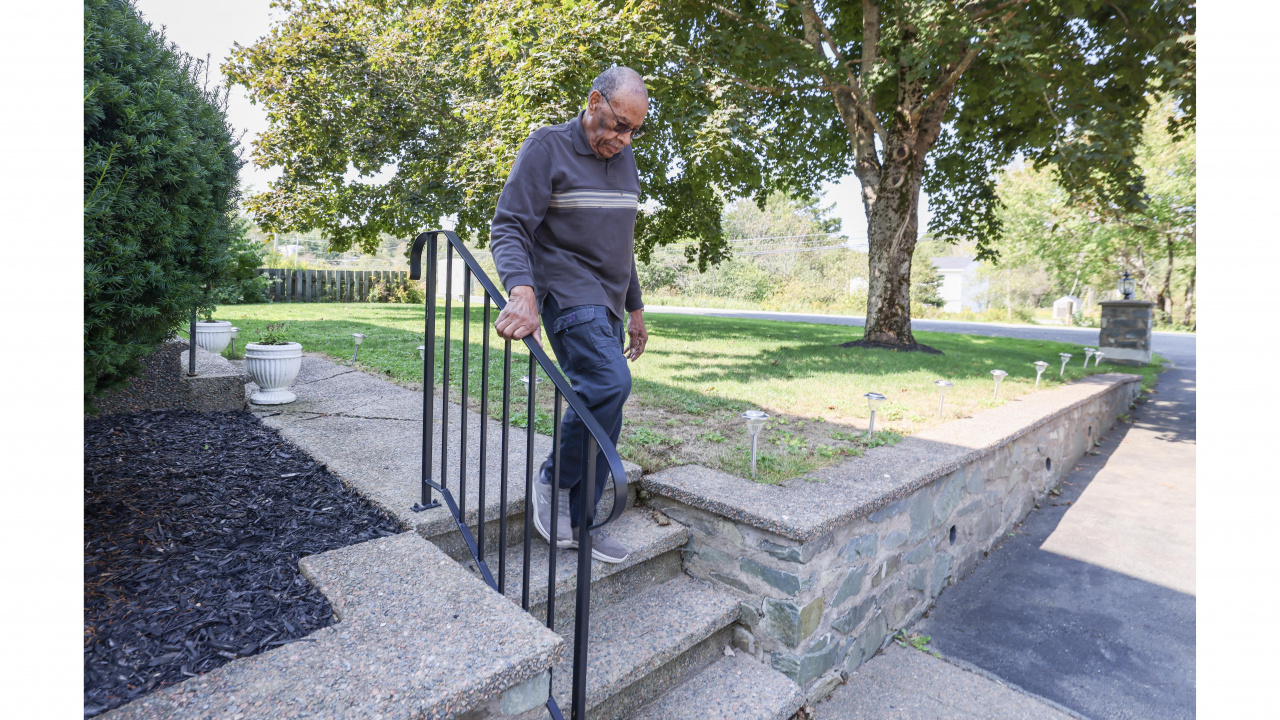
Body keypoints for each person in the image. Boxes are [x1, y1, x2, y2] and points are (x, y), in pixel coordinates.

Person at [489, 66, 650, 564]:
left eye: (633, 131)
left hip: (608, 299)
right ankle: (554, 483)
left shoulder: (626, 163)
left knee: (607, 403)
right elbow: (510, 226)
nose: (622, 139)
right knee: (608, 383)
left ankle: (583, 519)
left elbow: (622, 244)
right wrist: (521, 291)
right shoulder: (546, 148)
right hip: (564, 287)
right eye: (617, 124)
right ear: (593, 100)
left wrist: (636, 307)